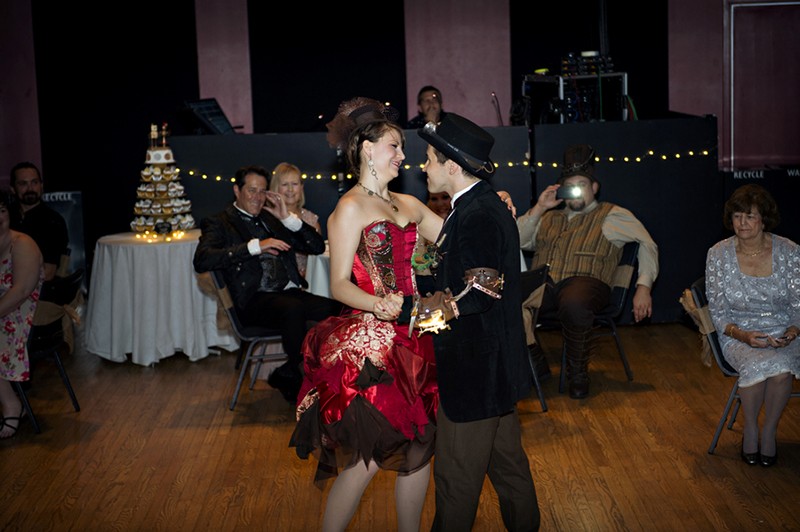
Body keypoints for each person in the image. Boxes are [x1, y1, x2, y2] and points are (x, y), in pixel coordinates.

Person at [289, 97, 444, 532]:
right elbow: (338, 283)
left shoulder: (410, 204)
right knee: (365, 461)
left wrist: (493, 199)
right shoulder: (349, 209)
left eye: (401, 148)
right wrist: (377, 303)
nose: (401, 156)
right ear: (366, 150)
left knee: (418, 450)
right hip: (373, 346)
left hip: (417, 337)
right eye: (393, 146)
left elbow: (456, 234)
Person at [415, 113, 540, 531]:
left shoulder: (479, 212)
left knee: (454, 478)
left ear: (452, 165)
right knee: (508, 469)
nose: (424, 166)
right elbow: (450, 269)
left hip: (476, 370)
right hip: (493, 368)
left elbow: (482, 290)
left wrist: (424, 316)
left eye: (430, 159)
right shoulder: (470, 207)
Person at [516, 144, 659, 399]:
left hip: (587, 284)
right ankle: (535, 362)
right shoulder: (548, 217)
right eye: (570, 186)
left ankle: (578, 372)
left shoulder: (612, 215)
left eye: (582, 184)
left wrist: (644, 287)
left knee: (574, 301)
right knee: (509, 300)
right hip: (546, 284)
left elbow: (648, 244)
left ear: (594, 188)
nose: (576, 191)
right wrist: (539, 207)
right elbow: (516, 240)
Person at [193, 165, 342, 404]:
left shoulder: (271, 218)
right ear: (236, 190)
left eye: (262, 191)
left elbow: (314, 247)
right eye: (252, 190)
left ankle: (291, 372)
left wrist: (288, 219)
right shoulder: (219, 222)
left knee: (338, 310)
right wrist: (255, 246)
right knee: (292, 309)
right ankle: (301, 379)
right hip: (253, 299)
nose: (258, 197)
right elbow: (202, 260)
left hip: (288, 293)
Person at [705, 183, 800, 467]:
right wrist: (743, 335)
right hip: (737, 333)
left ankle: (768, 430)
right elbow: (718, 312)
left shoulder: (790, 251)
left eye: (749, 216)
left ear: (764, 219)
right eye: (736, 216)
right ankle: (751, 428)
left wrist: (793, 331)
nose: (742, 223)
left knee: (781, 368)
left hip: (786, 332)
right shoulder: (718, 254)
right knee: (759, 367)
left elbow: (799, 304)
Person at [0, 190, 45, 439]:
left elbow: (21, 291)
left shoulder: (22, 244)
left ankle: (11, 403)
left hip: (26, 314)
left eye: (2, 210)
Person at [9, 162, 69, 285]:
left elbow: (48, 273)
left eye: (34, 182)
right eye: (23, 184)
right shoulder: (6, 217)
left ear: (41, 186)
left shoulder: (53, 221)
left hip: (35, 291)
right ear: (12, 189)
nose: (30, 189)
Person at [269, 161, 322, 277]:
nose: (290, 189)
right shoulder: (268, 219)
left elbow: (319, 260)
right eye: (284, 184)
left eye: (294, 184)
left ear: (301, 187)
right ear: (275, 188)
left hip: (309, 283)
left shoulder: (311, 220)